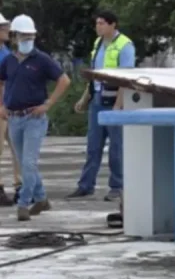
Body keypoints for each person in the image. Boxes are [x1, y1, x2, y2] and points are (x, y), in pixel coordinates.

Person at [0, 14, 71, 221]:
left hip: (34, 118)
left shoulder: (42, 59)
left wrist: (48, 104)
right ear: (15, 37)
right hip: (14, 118)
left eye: (30, 36)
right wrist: (2, 105)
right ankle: (41, 199)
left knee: (29, 163)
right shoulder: (9, 60)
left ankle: (24, 203)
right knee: (25, 163)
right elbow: (1, 81)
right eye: (23, 36)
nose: (27, 40)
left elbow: (64, 80)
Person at [67, 11, 134, 202]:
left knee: (116, 148)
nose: (98, 27)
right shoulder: (98, 44)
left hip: (114, 101)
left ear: (113, 25)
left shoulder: (125, 45)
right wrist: (84, 99)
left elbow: (126, 79)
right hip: (97, 99)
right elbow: (94, 76)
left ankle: (117, 187)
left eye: (102, 23)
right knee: (93, 146)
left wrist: (118, 106)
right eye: (97, 23)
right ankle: (86, 186)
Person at [0, 13, 21, 206]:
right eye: (3, 27)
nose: (7, 30)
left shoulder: (6, 52)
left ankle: (20, 186)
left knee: (17, 147)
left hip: (9, 107)